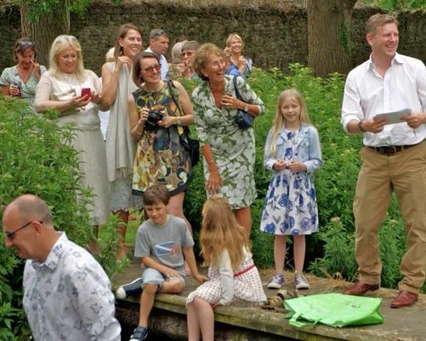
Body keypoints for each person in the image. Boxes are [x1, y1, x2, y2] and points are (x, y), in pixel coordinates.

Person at [340, 13, 426, 308]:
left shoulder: (414, 68)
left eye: (395, 34)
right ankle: (369, 276)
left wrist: (421, 117)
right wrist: (362, 125)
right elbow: (347, 119)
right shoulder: (357, 76)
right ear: (370, 39)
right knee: (364, 221)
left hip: (411, 154)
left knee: (417, 222)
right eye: (386, 35)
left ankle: (410, 284)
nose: (393, 39)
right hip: (374, 157)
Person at [2, 194, 121, 340]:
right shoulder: (31, 267)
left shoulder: (79, 269)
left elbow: (108, 336)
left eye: (11, 235)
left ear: (36, 228)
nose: (7, 243)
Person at [34, 35, 110, 242]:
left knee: (92, 185)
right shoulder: (49, 77)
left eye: (73, 56)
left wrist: (97, 99)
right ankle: (70, 238)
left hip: (92, 138)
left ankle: (93, 240)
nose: (70, 60)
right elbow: (40, 105)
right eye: (65, 56)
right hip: (65, 140)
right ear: (56, 58)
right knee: (71, 186)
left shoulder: (90, 75)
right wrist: (68, 104)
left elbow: (105, 105)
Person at [114, 185, 207, 341]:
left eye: (158, 208)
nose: (154, 213)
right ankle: (142, 326)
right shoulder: (144, 229)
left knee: (177, 286)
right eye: (149, 210)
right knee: (151, 283)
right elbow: (145, 258)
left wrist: (196, 273)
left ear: (167, 204)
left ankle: (140, 286)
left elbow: (188, 250)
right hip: (154, 268)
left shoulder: (179, 225)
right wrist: (162, 268)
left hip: (176, 270)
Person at [191, 43, 265, 235]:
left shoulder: (237, 83)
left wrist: (240, 104)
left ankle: (242, 255)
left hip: (241, 152)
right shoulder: (198, 94)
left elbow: (261, 108)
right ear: (204, 71)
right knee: (216, 205)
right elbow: (201, 133)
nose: (221, 67)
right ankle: (219, 253)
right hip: (214, 155)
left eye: (221, 62)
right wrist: (213, 169)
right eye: (214, 64)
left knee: (241, 204)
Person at [260, 88, 323, 290]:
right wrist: (274, 165)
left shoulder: (310, 132)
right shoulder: (275, 131)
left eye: (294, 106)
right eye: (286, 107)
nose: (290, 110)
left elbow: (317, 160)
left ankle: (299, 274)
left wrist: (303, 166)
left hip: (301, 189)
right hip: (279, 188)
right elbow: (266, 159)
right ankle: (278, 274)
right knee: (279, 232)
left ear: (300, 107)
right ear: (280, 109)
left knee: (299, 232)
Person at [186, 196, 267, 341]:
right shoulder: (229, 235)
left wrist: (225, 299)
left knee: (199, 299)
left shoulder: (222, 243)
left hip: (244, 288)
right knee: (192, 300)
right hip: (236, 282)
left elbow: (226, 273)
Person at [128, 51, 195, 224]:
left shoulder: (174, 87)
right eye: (148, 69)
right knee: (154, 215)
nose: (154, 71)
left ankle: (187, 251)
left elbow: (193, 117)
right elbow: (135, 135)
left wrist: (173, 120)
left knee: (174, 212)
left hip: (174, 157)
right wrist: (142, 122)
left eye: (156, 66)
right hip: (148, 161)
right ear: (140, 72)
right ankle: (160, 251)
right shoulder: (134, 98)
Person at [100, 23, 144, 259]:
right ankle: (119, 247)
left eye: (139, 39)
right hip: (120, 133)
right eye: (131, 39)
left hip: (144, 132)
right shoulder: (108, 66)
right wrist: (118, 69)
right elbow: (106, 100)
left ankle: (146, 244)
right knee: (121, 192)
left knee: (147, 191)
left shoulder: (147, 66)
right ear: (121, 42)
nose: (136, 43)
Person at [0, 38, 46, 105]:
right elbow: (5, 103)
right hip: (17, 112)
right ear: (17, 54)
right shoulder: (8, 72)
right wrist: (10, 94)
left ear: (34, 55)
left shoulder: (41, 70)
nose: (27, 60)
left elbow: (48, 95)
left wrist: (37, 75)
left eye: (30, 56)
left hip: (39, 112)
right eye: (24, 56)